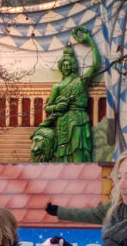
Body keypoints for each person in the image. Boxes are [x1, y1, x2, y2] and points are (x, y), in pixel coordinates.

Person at [29, 26, 104, 163]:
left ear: (74, 65)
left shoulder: (80, 81)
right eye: (63, 65)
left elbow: (96, 65)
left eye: (68, 64)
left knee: (79, 153)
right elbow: (48, 107)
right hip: (63, 123)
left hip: (79, 121)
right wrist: (57, 107)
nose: (66, 67)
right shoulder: (57, 87)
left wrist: (90, 41)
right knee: (63, 157)